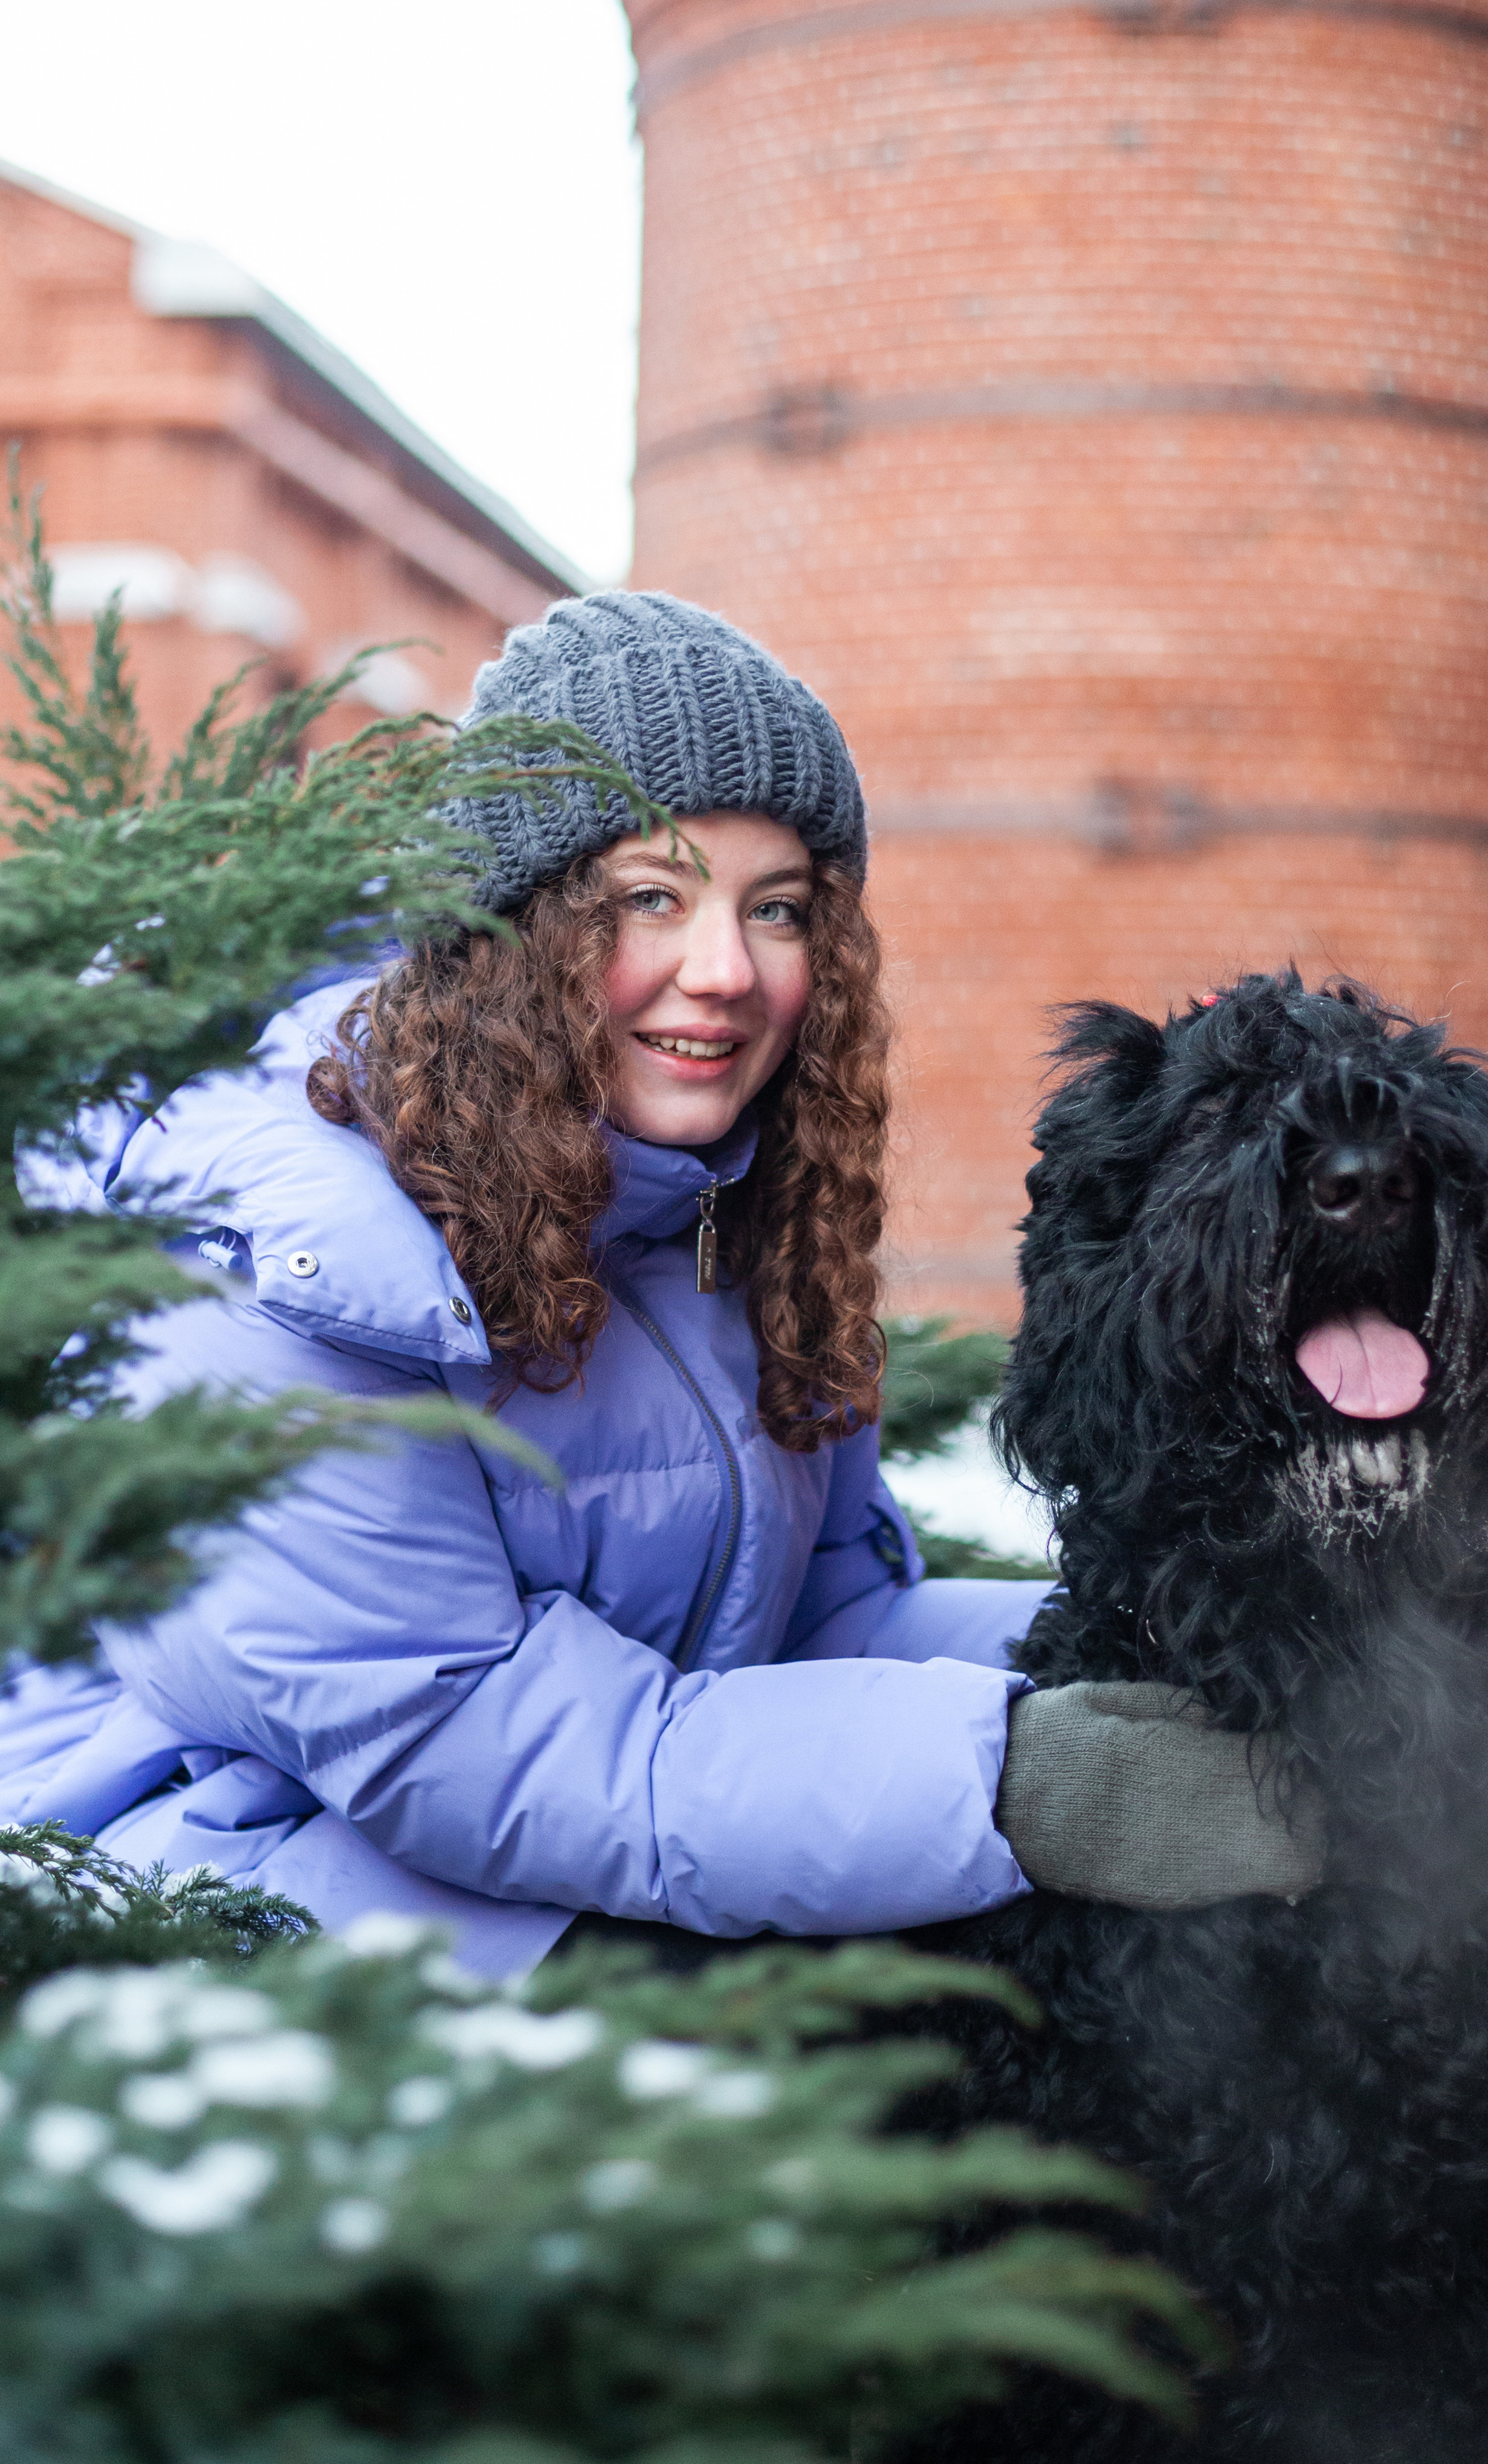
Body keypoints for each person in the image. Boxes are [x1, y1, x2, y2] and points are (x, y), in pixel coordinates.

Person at [0, 595, 1319, 1974]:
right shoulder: (294, 1249)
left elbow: (813, 1627)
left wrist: (1179, 1633)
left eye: (779, 910)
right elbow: (460, 1741)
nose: (723, 972)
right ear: (512, 931)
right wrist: (1016, 1779)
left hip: (562, 1850)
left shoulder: (729, 1217)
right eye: (649, 898)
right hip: (221, 1911)